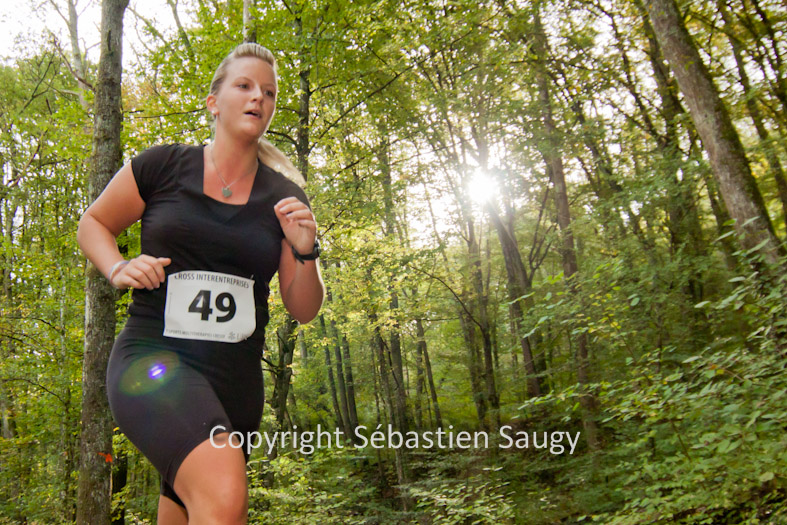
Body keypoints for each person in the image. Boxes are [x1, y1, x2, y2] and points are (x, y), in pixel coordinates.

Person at [77, 43, 325, 524]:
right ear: (214, 102)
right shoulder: (163, 167)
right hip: (155, 362)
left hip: (236, 383)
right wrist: (118, 267)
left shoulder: (284, 198)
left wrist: (305, 249)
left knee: (194, 509)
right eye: (245, 85)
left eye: (269, 92)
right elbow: (94, 223)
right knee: (224, 496)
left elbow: (304, 308)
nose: (258, 97)